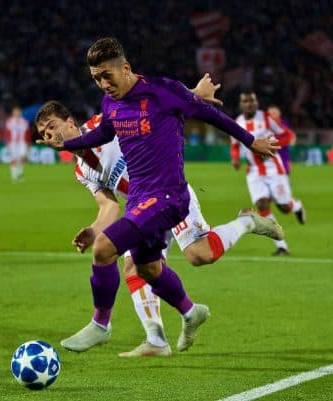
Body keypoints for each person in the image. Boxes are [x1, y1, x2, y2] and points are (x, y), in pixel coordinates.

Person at [37, 38, 279, 354]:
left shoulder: (153, 92)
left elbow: (193, 110)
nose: (103, 84)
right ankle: (181, 320)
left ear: (125, 68)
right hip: (139, 202)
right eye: (96, 78)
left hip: (168, 195)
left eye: (107, 75)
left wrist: (249, 140)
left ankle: (101, 325)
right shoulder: (105, 116)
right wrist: (93, 223)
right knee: (146, 267)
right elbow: (109, 197)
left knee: (122, 250)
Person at [231, 91, 306, 256]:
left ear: (256, 103)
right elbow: (235, 145)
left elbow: (287, 134)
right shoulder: (238, 122)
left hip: (273, 168)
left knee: (284, 207)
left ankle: (297, 206)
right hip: (254, 171)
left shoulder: (266, 118)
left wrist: (273, 146)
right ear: (241, 104)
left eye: (252, 101)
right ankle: (282, 246)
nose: (249, 104)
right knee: (262, 205)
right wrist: (235, 159)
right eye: (246, 101)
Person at [5, 106, 30, 182]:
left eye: (18, 111)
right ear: (13, 112)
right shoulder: (9, 121)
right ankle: (14, 176)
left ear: (20, 112)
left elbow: (27, 133)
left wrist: (28, 143)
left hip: (22, 143)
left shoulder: (24, 122)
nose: (17, 113)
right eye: (15, 111)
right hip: (13, 143)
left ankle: (20, 174)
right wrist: (8, 142)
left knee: (22, 158)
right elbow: (7, 133)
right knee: (14, 159)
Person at [267, 105, 295, 174]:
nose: (272, 115)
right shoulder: (265, 124)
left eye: (274, 113)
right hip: (271, 150)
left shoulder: (284, 123)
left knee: (286, 170)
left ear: (279, 114)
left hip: (283, 150)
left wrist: (292, 140)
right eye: (271, 113)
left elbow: (290, 134)